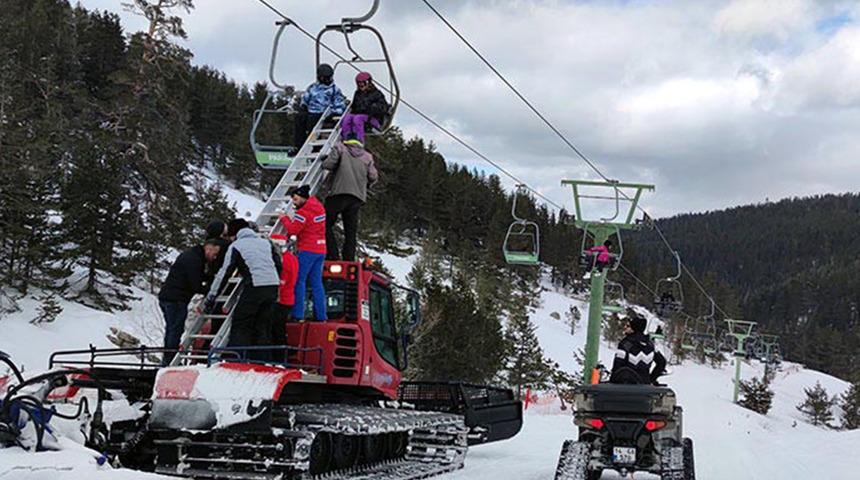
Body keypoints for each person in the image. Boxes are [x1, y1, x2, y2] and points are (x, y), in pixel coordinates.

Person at [205, 219, 282, 362]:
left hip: (255, 285)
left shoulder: (237, 245)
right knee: (262, 325)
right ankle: (261, 361)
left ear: (234, 233)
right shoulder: (265, 243)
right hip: (272, 286)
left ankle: (235, 358)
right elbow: (277, 264)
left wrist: (212, 296)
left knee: (241, 322)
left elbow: (225, 272)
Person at [158, 239, 222, 365]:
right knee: (175, 330)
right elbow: (195, 284)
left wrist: (208, 277)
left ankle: (168, 359)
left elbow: (194, 276)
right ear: (209, 248)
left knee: (171, 329)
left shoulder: (191, 255)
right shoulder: (195, 260)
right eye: (214, 254)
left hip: (169, 296)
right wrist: (211, 290)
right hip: (177, 299)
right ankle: (170, 360)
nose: (214, 258)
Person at [323, 135, 378, 261]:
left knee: (324, 223)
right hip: (357, 197)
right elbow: (373, 176)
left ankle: (332, 255)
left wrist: (324, 160)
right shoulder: (367, 157)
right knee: (350, 231)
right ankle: (348, 259)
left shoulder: (341, 148)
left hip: (339, 192)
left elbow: (328, 164)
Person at [276, 185, 327, 321]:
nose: (294, 202)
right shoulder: (318, 206)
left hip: (308, 250)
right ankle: (321, 316)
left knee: (299, 280)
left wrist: (284, 218)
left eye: (296, 199)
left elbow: (293, 230)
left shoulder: (303, 213)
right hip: (321, 249)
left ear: (303, 197)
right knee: (317, 283)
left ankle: (298, 314)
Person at [293, 64, 346, 149]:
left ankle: (315, 146)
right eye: (325, 78)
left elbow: (340, 105)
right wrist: (303, 107)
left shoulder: (334, 90)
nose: (328, 80)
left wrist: (334, 113)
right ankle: (298, 145)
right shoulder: (313, 87)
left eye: (329, 78)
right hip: (311, 111)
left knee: (312, 121)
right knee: (299, 117)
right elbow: (306, 99)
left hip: (323, 113)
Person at [610, 314, 667, 385]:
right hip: (644, 386)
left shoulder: (626, 344)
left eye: (628, 326)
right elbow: (662, 362)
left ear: (634, 328)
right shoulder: (650, 345)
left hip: (627, 385)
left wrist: (612, 381)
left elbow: (617, 365)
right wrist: (651, 379)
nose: (625, 327)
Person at [340, 71, 389, 143]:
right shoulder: (357, 94)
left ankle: (359, 140)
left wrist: (373, 108)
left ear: (368, 83)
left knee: (357, 118)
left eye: (363, 83)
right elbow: (354, 108)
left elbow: (383, 108)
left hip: (373, 119)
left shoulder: (376, 94)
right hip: (360, 116)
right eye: (359, 84)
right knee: (346, 118)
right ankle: (346, 137)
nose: (361, 85)